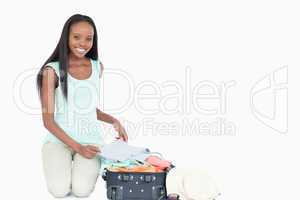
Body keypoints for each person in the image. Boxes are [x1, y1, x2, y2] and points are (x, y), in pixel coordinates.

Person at [36, 14, 128, 198]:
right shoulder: (51, 71)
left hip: (90, 141)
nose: (83, 43)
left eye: (89, 38)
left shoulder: (97, 68)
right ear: (66, 38)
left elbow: (86, 109)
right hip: (58, 141)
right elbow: (48, 120)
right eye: (76, 37)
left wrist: (114, 121)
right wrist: (78, 148)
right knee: (59, 190)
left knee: (82, 190)